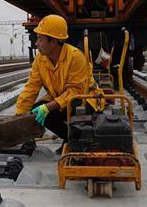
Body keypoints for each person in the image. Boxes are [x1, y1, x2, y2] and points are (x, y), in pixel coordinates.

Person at [14, 14, 101, 153]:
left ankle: (82, 139)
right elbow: (31, 88)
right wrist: (20, 117)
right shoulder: (40, 60)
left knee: (76, 106)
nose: (36, 44)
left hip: (86, 99)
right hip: (61, 100)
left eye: (40, 39)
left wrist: (48, 107)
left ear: (53, 42)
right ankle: (69, 138)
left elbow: (76, 92)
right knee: (36, 110)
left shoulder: (75, 57)